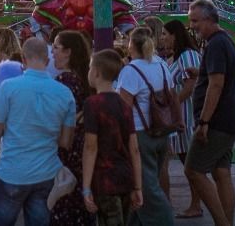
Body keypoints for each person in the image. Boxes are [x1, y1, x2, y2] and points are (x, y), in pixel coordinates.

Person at [0, 36, 77, 226]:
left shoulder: (8, 87)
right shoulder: (64, 93)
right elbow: (66, 142)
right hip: (46, 173)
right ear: (48, 60)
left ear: (23, 60)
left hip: (12, 171)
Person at [185, 0, 235, 226]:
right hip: (229, 120)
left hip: (216, 122)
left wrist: (204, 122)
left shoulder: (216, 44)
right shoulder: (224, 40)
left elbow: (216, 84)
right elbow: (218, 76)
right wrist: (200, 72)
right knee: (221, 173)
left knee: (193, 170)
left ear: (209, 19)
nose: (192, 26)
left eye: (195, 21)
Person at [115, 27, 174, 226]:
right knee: (149, 183)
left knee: (147, 190)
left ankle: (165, 221)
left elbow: (124, 107)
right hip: (161, 131)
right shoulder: (161, 65)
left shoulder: (131, 71)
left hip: (140, 133)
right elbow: (171, 94)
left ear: (132, 45)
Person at [80, 49, 141, 226]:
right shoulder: (124, 105)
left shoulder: (93, 104)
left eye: (90, 68)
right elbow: (134, 149)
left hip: (104, 178)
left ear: (96, 72)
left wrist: (86, 187)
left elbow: (91, 147)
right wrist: (138, 186)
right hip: (125, 176)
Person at [160, 19, 204, 219]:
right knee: (187, 164)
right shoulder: (177, 57)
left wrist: (172, 105)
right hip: (180, 117)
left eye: (165, 34)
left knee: (191, 165)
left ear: (174, 35)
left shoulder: (188, 56)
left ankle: (196, 204)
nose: (162, 38)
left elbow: (190, 86)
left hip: (187, 117)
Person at [48, 30, 92, 226]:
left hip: (65, 151)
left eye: (56, 48)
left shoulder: (63, 82)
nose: (52, 53)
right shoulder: (84, 79)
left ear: (68, 52)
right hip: (82, 150)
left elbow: (56, 120)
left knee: (63, 204)